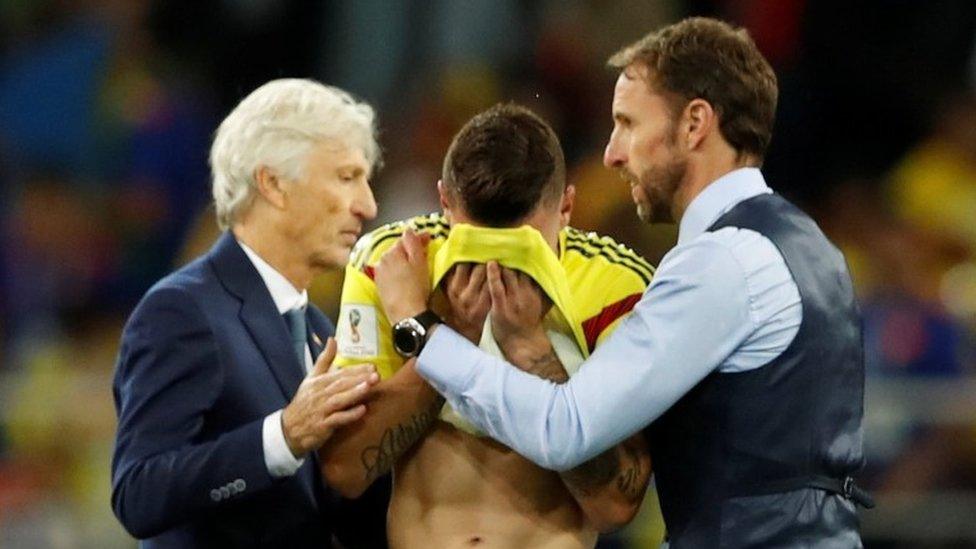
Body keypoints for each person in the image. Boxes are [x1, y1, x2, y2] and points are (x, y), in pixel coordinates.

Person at [374, 18, 873, 548]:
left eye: (629, 123)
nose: (612, 153)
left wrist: (422, 331)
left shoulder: (722, 263)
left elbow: (564, 429)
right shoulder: (809, 246)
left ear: (694, 123)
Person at [319, 103, 653, 548]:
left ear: (567, 208)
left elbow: (615, 506)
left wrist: (533, 353)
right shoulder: (393, 264)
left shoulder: (615, 287)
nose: (495, 269)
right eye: (476, 244)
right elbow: (345, 472)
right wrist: (449, 337)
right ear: (443, 204)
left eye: (520, 250)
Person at [111, 78, 387, 548]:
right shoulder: (183, 310)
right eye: (346, 177)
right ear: (273, 184)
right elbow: (139, 493)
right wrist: (283, 436)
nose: (368, 205)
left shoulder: (322, 330)